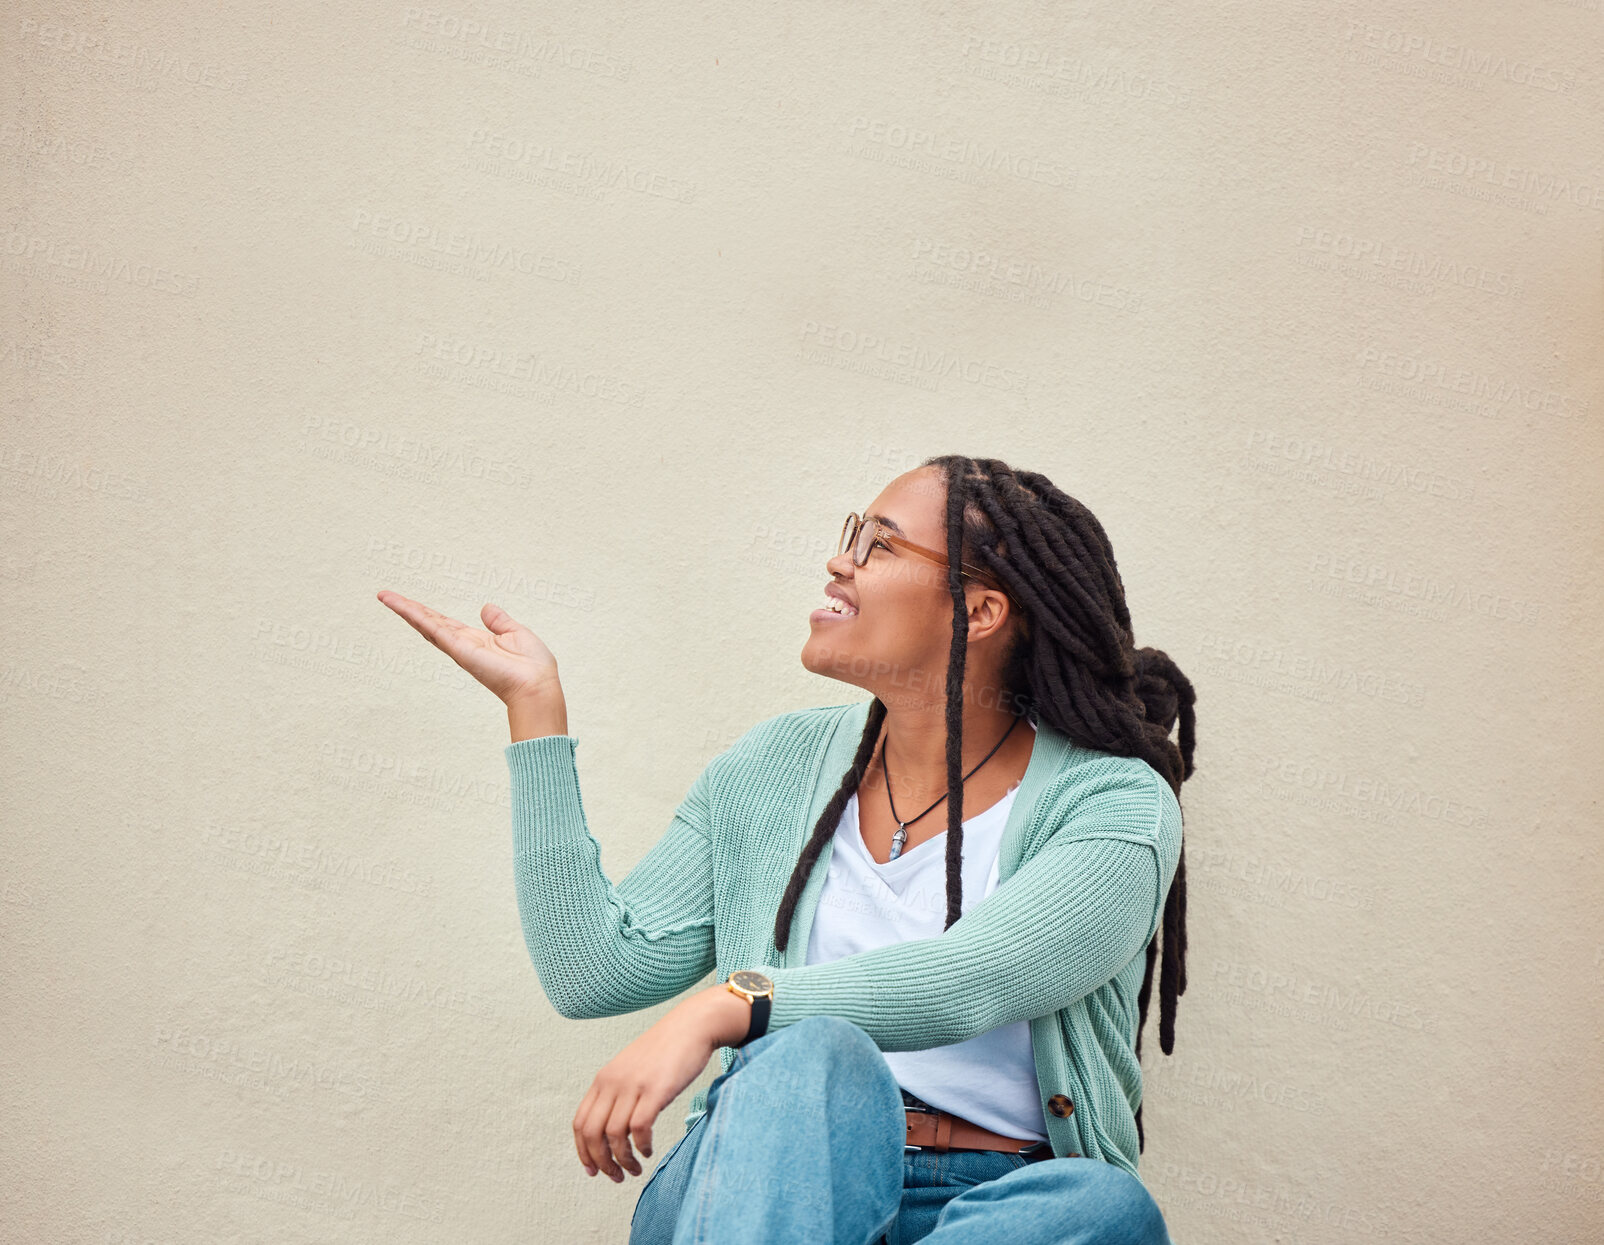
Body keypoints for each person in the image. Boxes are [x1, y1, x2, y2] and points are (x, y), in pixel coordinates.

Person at [378, 454, 1197, 1244]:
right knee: (818, 1055)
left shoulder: (1114, 803)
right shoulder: (775, 765)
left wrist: (733, 1000)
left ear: (980, 612)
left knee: (1102, 1205)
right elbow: (595, 967)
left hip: (991, 1202)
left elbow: (975, 976)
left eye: (879, 544)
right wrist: (535, 715)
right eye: (852, 533)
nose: (838, 562)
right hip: (766, 1182)